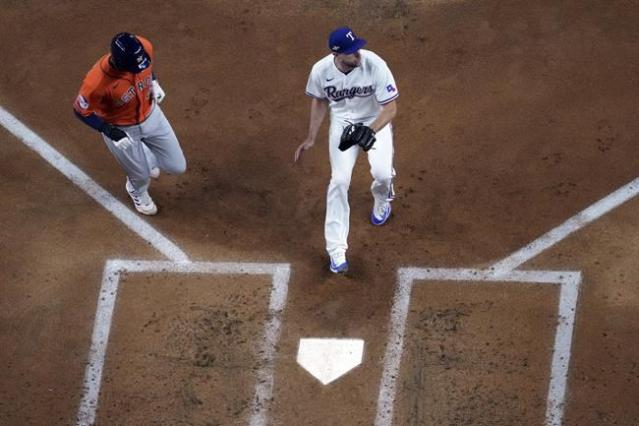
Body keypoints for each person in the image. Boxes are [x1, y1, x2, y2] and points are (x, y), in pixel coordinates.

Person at [294, 26, 399, 273]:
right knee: (339, 181)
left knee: (382, 174)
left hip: (376, 119)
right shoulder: (320, 71)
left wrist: (370, 130)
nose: (358, 55)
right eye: (352, 52)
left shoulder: (375, 64)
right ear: (337, 54)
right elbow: (319, 100)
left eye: (357, 48)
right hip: (342, 123)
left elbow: (391, 108)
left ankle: (383, 199)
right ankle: (336, 250)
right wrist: (311, 137)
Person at [73, 32, 186, 215]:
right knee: (140, 175)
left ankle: (146, 153)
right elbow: (80, 111)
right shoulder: (96, 84)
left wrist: (154, 82)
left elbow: (146, 66)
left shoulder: (143, 47)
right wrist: (108, 130)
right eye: (133, 66)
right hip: (122, 130)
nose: (138, 68)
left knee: (177, 166)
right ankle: (136, 191)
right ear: (119, 62)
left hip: (152, 115)